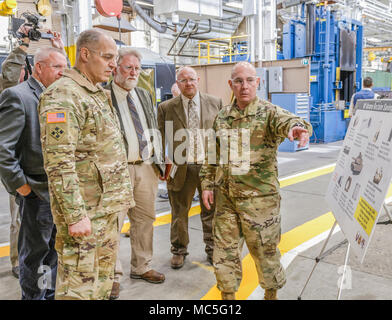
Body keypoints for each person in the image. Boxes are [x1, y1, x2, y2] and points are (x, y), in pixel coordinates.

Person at [199, 61, 312, 300]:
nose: (244, 86)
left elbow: (290, 121)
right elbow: (212, 154)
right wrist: (207, 184)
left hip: (260, 203)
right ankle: (228, 298)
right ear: (231, 84)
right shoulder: (222, 117)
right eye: (238, 81)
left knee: (266, 254)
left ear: (257, 82)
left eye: (250, 80)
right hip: (227, 200)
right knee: (224, 255)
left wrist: (298, 128)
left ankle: (271, 295)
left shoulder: (269, 113)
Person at [38, 29, 134, 300]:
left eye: (114, 58)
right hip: (86, 217)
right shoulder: (64, 96)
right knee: (78, 290)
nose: (113, 64)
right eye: (107, 57)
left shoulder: (93, 92)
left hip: (105, 212)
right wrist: (75, 214)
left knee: (100, 288)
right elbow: (58, 161)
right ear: (84, 54)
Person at [0, 26, 69, 280]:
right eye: (57, 68)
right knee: (33, 256)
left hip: (57, 191)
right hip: (34, 193)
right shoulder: (18, 96)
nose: (63, 73)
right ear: (38, 68)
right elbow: (3, 150)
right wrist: (22, 188)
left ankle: (48, 294)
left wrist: (60, 48)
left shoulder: (57, 95)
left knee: (53, 253)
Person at [106, 48, 166, 299]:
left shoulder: (143, 93)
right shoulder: (103, 95)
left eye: (136, 68)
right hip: (117, 170)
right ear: (116, 68)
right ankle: (111, 276)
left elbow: (152, 128)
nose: (132, 72)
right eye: (128, 67)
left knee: (144, 220)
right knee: (113, 224)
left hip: (145, 166)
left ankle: (142, 266)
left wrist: (160, 159)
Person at [157, 66, 222, 269]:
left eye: (191, 79)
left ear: (198, 79)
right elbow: (159, 137)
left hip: (208, 167)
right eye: (183, 80)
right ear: (177, 83)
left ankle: (213, 250)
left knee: (211, 211)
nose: (188, 84)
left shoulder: (215, 102)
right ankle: (178, 250)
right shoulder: (166, 107)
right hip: (180, 168)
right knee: (179, 212)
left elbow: (222, 135)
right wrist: (162, 163)